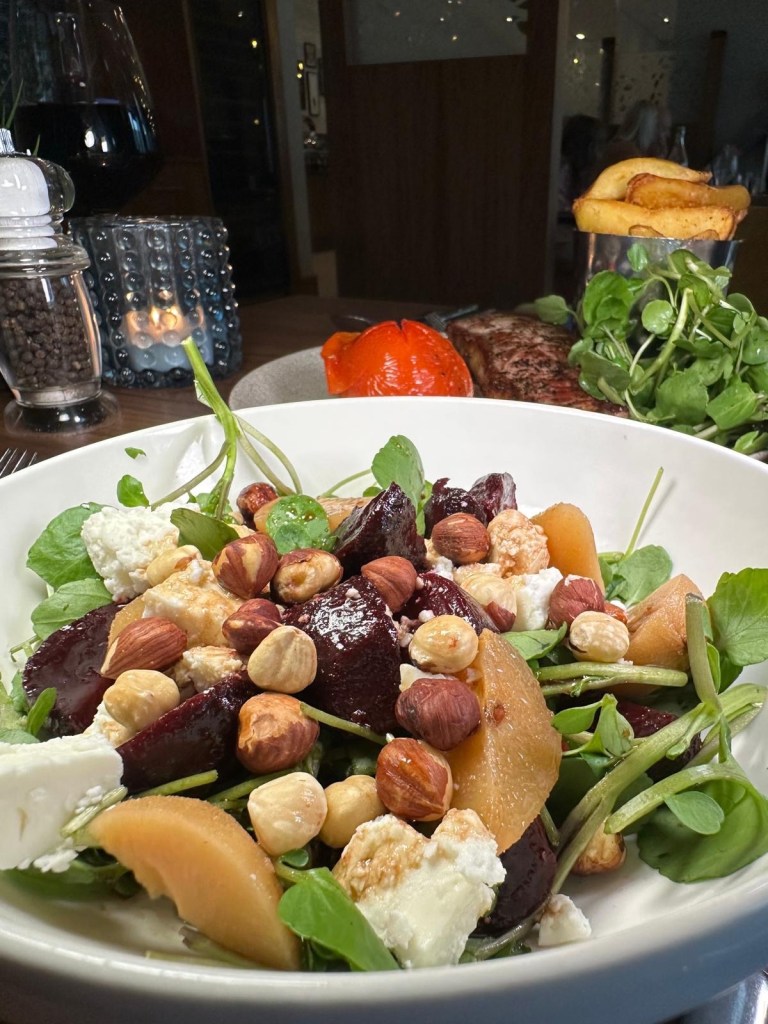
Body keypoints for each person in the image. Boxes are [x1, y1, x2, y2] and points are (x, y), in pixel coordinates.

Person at [589, 99, 672, 180]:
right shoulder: (627, 152)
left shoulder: (627, 147)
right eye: (663, 129)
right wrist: (659, 163)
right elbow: (641, 187)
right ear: (649, 128)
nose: (667, 135)